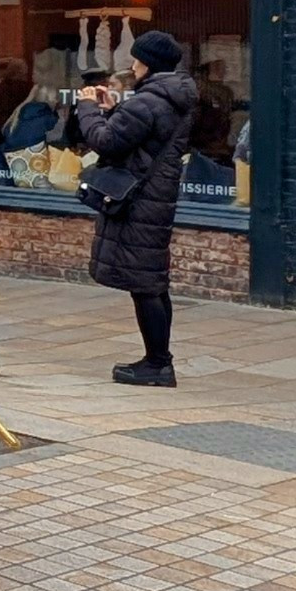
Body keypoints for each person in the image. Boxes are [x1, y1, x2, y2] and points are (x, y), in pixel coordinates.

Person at [61, 29, 202, 386]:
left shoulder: (148, 101)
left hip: (140, 200)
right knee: (153, 281)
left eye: (137, 58)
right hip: (157, 196)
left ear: (147, 63)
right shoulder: (170, 97)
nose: (133, 64)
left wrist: (88, 107)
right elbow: (140, 138)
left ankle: (157, 365)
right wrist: (116, 110)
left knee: (145, 283)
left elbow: (105, 141)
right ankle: (158, 359)